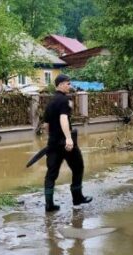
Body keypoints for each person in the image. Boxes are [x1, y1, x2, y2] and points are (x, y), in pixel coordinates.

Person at [43, 74, 92, 212]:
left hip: (52, 144)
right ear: (60, 85)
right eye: (67, 83)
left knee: (51, 173)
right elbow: (63, 118)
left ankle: (49, 205)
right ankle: (77, 198)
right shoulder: (65, 100)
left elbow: (46, 125)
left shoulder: (50, 102)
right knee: (78, 168)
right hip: (66, 144)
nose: (69, 86)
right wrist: (68, 138)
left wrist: (51, 137)